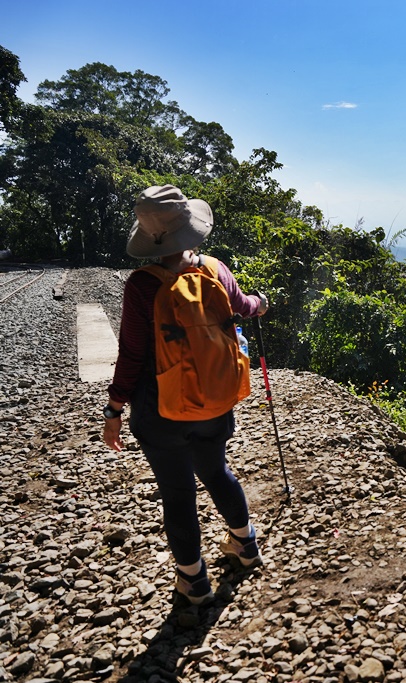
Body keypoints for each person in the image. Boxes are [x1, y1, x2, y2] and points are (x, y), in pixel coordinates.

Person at [103, 185, 269, 606]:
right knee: (216, 471)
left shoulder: (142, 286)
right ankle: (245, 546)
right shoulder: (215, 269)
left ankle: (194, 582)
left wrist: (114, 408)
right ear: (190, 228)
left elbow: (132, 354)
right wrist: (260, 302)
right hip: (215, 400)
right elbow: (246, 307)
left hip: (161, 409)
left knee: (178, 493)